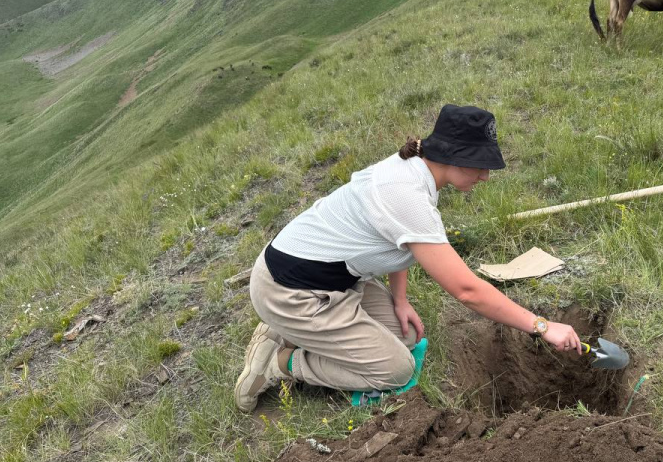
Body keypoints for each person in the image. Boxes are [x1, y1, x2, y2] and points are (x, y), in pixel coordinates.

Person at [234, 104, 583, 413]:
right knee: (394, 370)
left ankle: (285, 330)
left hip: (329, 279)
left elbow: (397, 241)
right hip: (290, 290)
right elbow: (467, 291)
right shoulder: (405, 194)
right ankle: (280, 363)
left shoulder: (416, 170)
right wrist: (541, 326)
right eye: (479, 165)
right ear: (452, 156)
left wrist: (400, 300)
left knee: (407, 337)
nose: (485, 176)